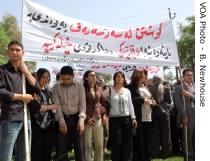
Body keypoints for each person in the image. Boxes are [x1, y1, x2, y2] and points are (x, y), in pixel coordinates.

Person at [0, 40, 39, 161]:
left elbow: (37, 89)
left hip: (26, 118)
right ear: (8, 52)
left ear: (23, 53)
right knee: (5, 155)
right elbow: (1, 92)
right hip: (10, 118)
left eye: (17, 50)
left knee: (24, 155)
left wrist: (26, 72)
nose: (14, 52)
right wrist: (22, 97)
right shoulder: (2, 70)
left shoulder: (25, 72)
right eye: (11, 49)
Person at [52, 66, 86, 161]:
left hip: (76, 119)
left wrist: (82, 120)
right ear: (60, 76)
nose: (66, 81)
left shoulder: (80, 86)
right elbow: (56, 105)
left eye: (68, 79)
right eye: (63, 79)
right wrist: (61, 121)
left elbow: (82, 104)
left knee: (80, 148)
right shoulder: (56, 87)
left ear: (73, 76)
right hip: (62, 119)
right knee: (61, 149)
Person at [103, 71, 137, 161]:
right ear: (114, 79)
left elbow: (130, 105)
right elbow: (101, 100)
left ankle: (127, 159)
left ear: (124, 79)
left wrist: (133, 118)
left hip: (126, 118)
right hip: (114, 119)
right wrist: (104, 113)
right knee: (116, 142)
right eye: (117, 76)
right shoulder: (109, 90)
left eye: (121, 76)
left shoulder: (127, 91)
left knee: (127, 142)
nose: (119, 78)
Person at [29, 68, 59, 161]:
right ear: (38, 77)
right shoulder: (33, 90)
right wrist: (51, 107)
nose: (46, 80)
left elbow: (53, 107)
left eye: (47, 77)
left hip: (49, 126)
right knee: (37, 152)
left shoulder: (48, 91)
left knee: (47, 152)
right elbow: (36, 107)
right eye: (43, 77)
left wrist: (52, 108)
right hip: (37, 126)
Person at [127, 69, 155, 161]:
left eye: (145, 75)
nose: (145, 76)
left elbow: (150, 98)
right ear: (138, 75)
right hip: (138, 117)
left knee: (147, 141)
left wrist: (153, 101)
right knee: (139, 142)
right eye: (143, 74)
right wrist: (143, 100)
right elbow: (131, 100)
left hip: (148, 116)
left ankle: (147, 158)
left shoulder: (145, 87)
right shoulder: (130, 87)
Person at [83, 70, 108, 161]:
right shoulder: (82, 89)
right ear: (86, 78)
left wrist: (104, 115)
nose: (94, 77)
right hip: (87, 118)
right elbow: (80, 105)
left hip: (98, 117)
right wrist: (86, 118)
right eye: (91, 75)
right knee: (88, 143)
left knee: (99, 144)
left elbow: (104, 103)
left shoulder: (99, 89)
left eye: (95, 75)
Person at [149, 76, 172, 159]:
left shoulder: (149, 88)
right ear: (161, 80)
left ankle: (154, 153)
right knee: (166, 134)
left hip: (153, 113)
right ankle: (166, 153)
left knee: (154, 134)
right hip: (164, 113)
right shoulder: (166, 88)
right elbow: (169, 101)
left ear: (153, 80)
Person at [174, 68, 195, 161]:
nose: (190, 76)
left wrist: (190, 95)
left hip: (196, 114)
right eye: (188, 75)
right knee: (187, 137)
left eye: (191, 75)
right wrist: (183, 116)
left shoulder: (195, 87)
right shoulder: (179, 87)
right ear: (183, 77)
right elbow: (178, 103)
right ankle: (188, 156)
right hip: (187, 115)